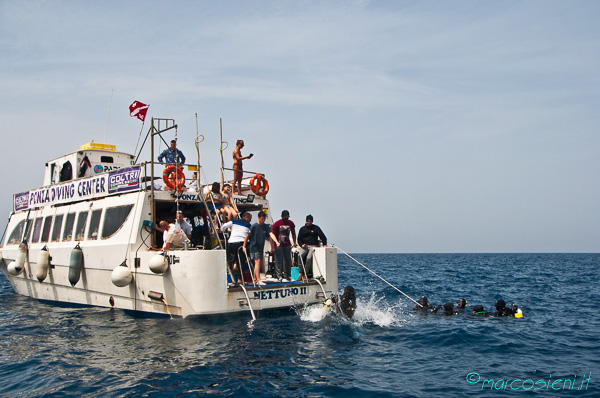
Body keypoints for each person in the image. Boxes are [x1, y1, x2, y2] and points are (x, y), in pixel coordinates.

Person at [222, 212, 252, 284]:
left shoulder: (234, 221)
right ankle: (239, 278)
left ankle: (233, 265)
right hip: (241, 243)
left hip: (231, 244)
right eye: (250, 218)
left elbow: (224, 225)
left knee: (231, 256)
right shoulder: (248, 225)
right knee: (241, 260)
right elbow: (249, 234)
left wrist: (224, 231)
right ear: (246, 217)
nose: (250, 220)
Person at [243, 211, 271, 286]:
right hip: (254, 246)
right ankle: (258, 279)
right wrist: (244, 246)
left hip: (261, 247)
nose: (263, 220)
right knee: (257, 261)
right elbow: (247, 236)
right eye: (262, 219)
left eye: (264, 219)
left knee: (259, 263)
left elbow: (270, 235)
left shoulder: (265, 226)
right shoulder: (254, 226)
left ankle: (255, 279)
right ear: (259, 218)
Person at [297, 214, 327, 281]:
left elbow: (322, 236)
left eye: (310, 221)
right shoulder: (302, 229)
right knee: (300, 255)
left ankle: (305, 273)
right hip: (305, 246)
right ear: (306, 221)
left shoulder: (316, 228)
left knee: (308, 258)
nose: (309, 222)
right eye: (308, 221)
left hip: (313, 246)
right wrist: (301, 245)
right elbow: (299, 239)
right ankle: (300, 273)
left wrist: (325, 244)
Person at [269, 210, 297, 282]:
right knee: (278, 261)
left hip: (287, 245)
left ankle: (288, 276)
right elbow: (272, 236)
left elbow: (293, 233)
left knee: (288, 260)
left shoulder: (291, 223)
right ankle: (279, 276)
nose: (286, 219)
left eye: (287, 217)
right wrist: (272, 247)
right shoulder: (276, 224)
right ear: (281, 216)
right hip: (278, 245)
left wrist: (294, 242)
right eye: (285, 217)